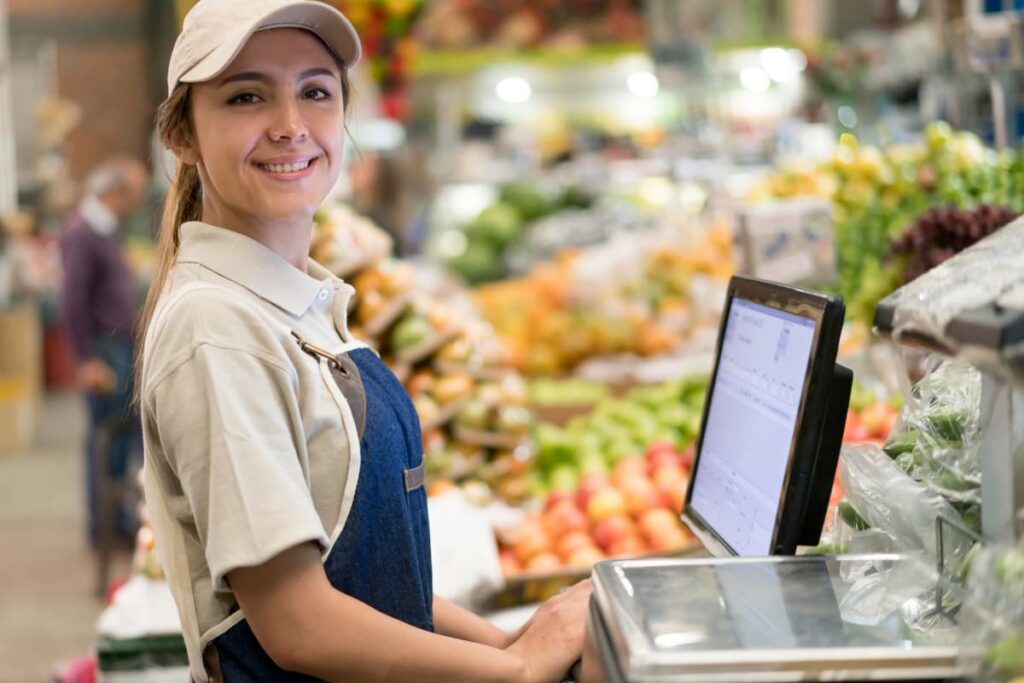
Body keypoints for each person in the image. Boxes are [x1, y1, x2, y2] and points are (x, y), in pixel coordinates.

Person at [137, 1, 590, 681]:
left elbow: (365, 586)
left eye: (315, 92)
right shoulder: (218, 327)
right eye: (246, 96)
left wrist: (501, 644)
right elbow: (299, 622)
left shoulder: (300, 302)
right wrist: (519, 669)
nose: (290, 127)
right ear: (184, 136)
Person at [58, 155, 147, 543]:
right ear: (115, 193)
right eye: (132, 196)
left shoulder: (104, 229)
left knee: (122, 438)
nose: (135, 205)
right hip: (104, 349)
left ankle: (120, 521)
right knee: (106, 438)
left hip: (118, 344)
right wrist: (86, 359)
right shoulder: (84, 233)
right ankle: (106, 528)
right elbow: (72, 300)